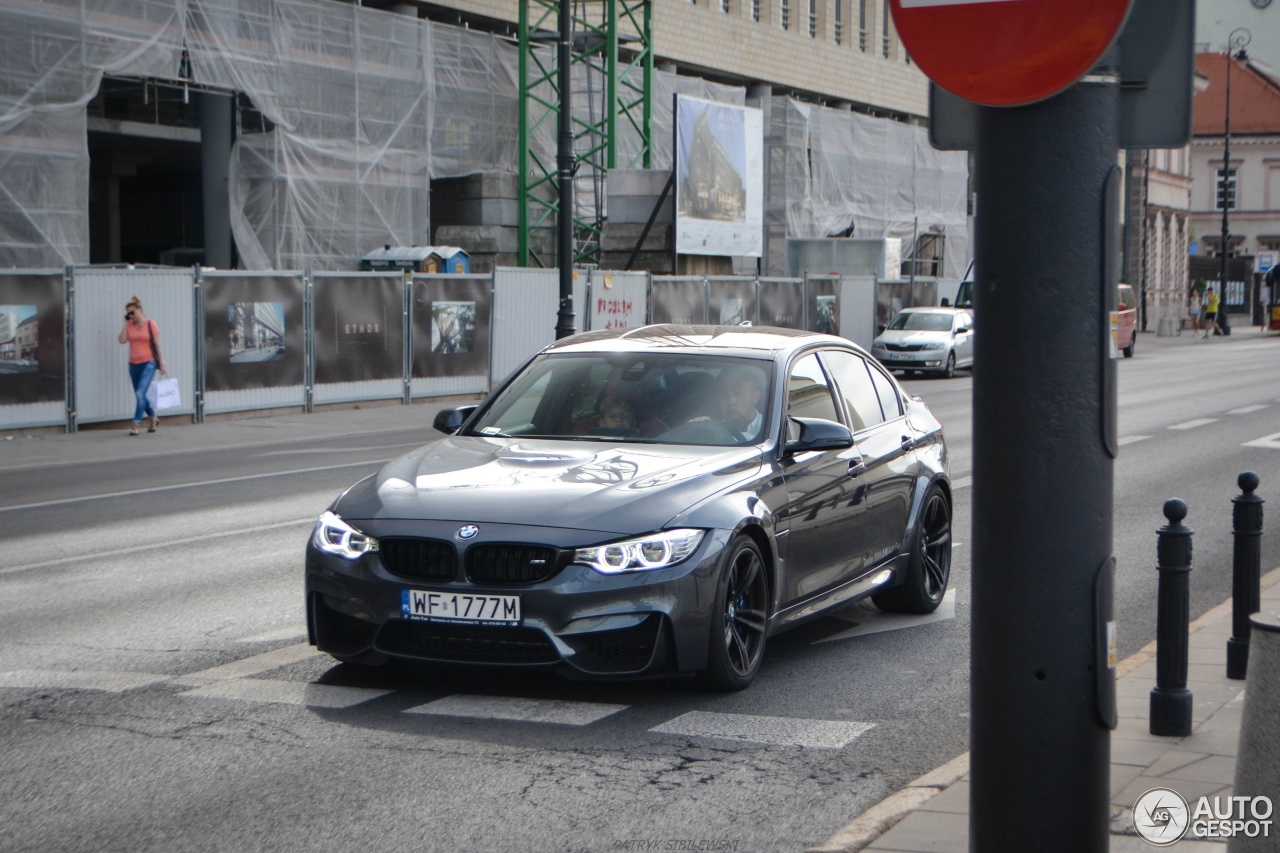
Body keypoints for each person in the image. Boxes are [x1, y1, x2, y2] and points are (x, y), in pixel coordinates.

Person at [118, 296, 167, 435]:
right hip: (133, 365)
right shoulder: (130, 326)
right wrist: (125, 323)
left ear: (140, 310)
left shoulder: (151, 324)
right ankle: (153, 418)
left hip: (148, 363)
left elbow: (158, 345)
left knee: (140, 393)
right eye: (128, 313)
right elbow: (121, 340)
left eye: (132, 312)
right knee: (141, 396)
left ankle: (136, 424)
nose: (131, 315)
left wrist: (162, 362)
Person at [688, 365, 766, 440]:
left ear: (755, 397)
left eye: (738, 394)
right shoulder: (711, 428)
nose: (731, 401)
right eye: (724, 395)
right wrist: (703, 429)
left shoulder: (772, 429)